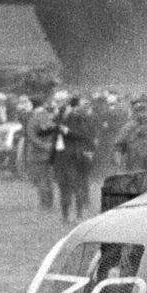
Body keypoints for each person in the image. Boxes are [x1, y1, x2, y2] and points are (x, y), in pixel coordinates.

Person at [52, 95, 98, 223]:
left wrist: (66, 131)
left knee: (76, 185)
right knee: (64, 187)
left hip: (75, 157)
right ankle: (66, 215)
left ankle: (78, 214)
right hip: (62, 157)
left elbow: (82, 135)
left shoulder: (80, 118)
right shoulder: (60, 118)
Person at [25, 93, 57, 210]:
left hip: (38, 154)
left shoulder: (33, 119)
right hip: (50, 153)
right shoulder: (48, 117)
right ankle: (50, 203)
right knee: (49, 179)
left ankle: (44, 204)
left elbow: (32, 137)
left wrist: (43, 146)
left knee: (41, 179)